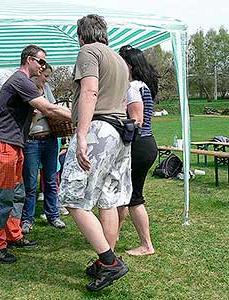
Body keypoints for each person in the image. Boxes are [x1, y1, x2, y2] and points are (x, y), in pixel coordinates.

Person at [58, 14, 131, 291]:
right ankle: (105, 262)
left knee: (72, 198)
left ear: (80, 35)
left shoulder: (88, 51)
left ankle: (110, 262)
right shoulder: (119, 59)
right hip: (118, 132)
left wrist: (81, 134)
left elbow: (90, 91)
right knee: (107, 199)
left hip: (98, 130)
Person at [0, 44, 71, 264]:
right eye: (41, 61)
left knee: (17, 193)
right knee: (2, 195)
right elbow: (50, 109)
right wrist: (82, 116)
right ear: (29, 60)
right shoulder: (19, 79)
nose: (44, 66)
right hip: (4, 144)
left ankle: (14, 235)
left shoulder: (24, 82)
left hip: (16, 144)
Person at [117, 45, 158, 256]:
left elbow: (136, 121)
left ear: (129, 66)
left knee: (134, 197)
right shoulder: (143, 85)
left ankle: (146, 245)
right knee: (125, 195)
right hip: (146, 144)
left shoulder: (131, 87)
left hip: (139, 145)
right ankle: (112, 236)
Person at [21, 63, 66, 234]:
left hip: (50, 140)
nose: (47, 79)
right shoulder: (26, 89)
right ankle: (27, 219)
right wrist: (44, 111)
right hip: (31, 141)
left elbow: (51, 110)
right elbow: (43, 110)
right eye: (46, 76)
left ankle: (53, 215)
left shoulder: (46, 89)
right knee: (31, 182)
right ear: (38, 73)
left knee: (50, 180)